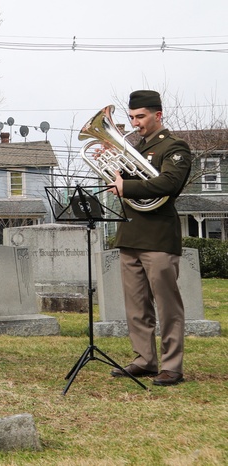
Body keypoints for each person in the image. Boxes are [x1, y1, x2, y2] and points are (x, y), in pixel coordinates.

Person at [105, 90, 192, 386]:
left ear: (158, 115)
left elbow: (169, 183)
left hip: (158, 236)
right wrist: (113, 172)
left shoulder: (174, 146)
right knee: (136, 305)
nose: (135, 123)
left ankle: (172, 366)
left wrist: (126, 187)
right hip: (130, 233)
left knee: (167, 305)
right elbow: (124, 183)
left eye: (140, 117)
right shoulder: (135, 148)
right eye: (131, 117)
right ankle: (145, 359)